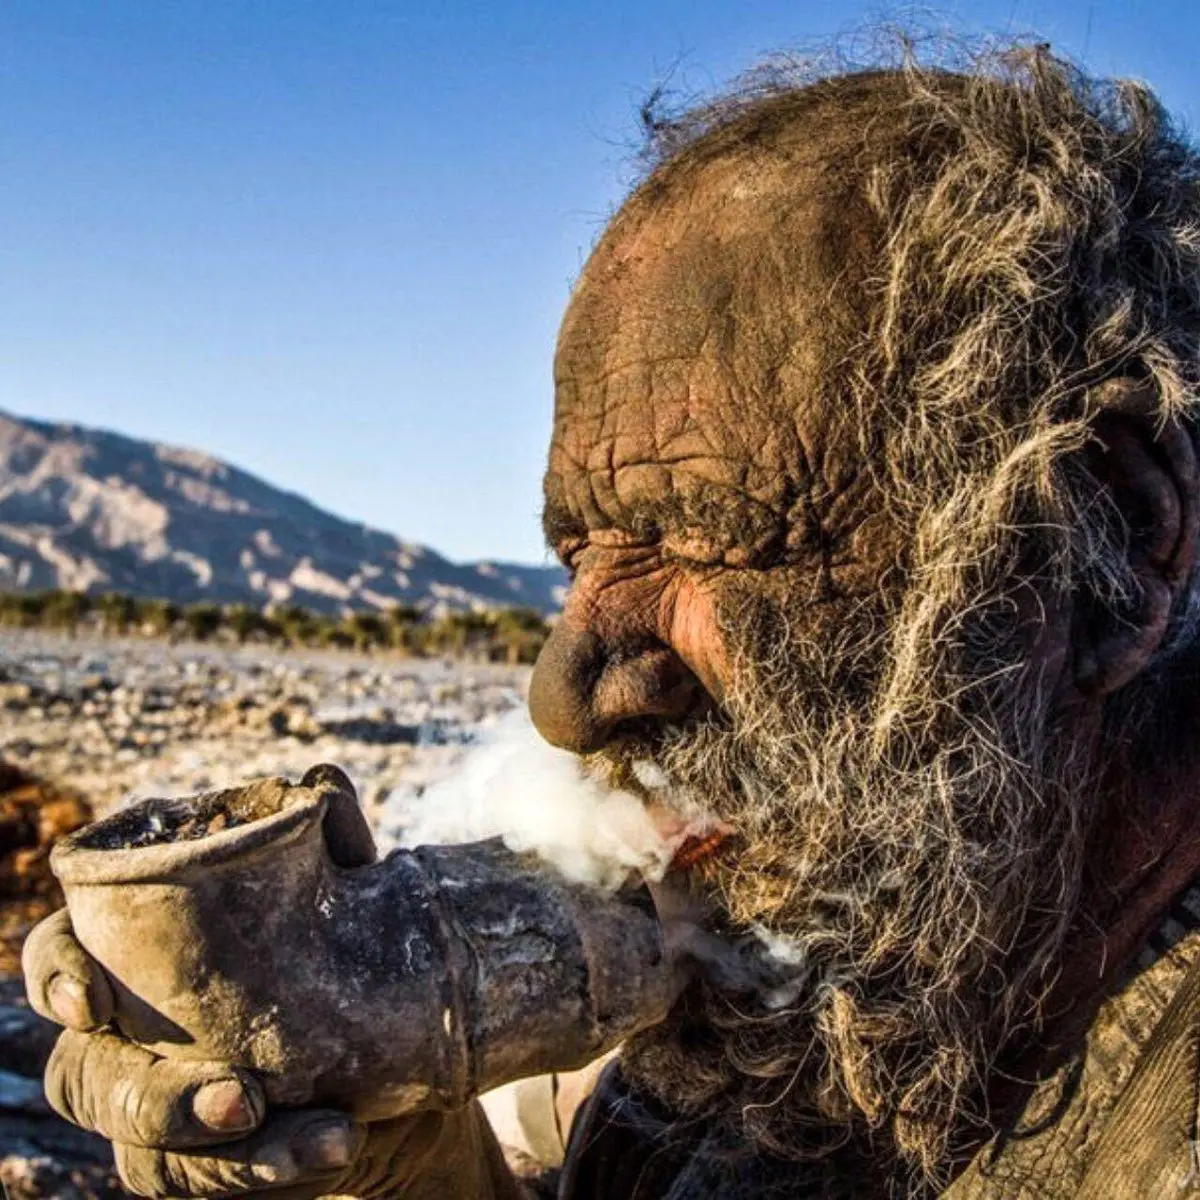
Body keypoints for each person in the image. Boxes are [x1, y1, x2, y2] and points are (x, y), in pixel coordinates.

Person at [23, 44, 1200, 1197]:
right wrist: (397, 1165)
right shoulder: (861, 973)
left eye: (703, 533)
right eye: (581, 554)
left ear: (1104, 550)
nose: (565, 701)